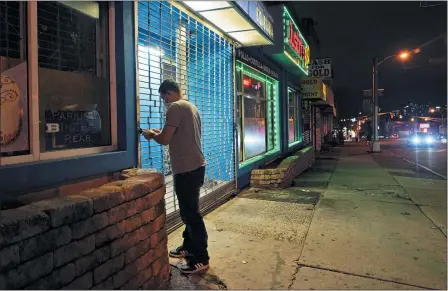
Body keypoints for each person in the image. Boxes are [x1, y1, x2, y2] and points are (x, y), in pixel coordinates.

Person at [142, 80, 209, 274]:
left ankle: (201, 258)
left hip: (187, 168)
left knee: (191, 214)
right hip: (195, 166)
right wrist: (158, 132)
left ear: (168, 93)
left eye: (163, 96)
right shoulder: (190, 106)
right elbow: (175, 134)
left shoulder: (174, 108)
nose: (163, 101)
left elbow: (164, 140)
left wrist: (150, 135)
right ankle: (188, 247)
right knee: (188, 212)